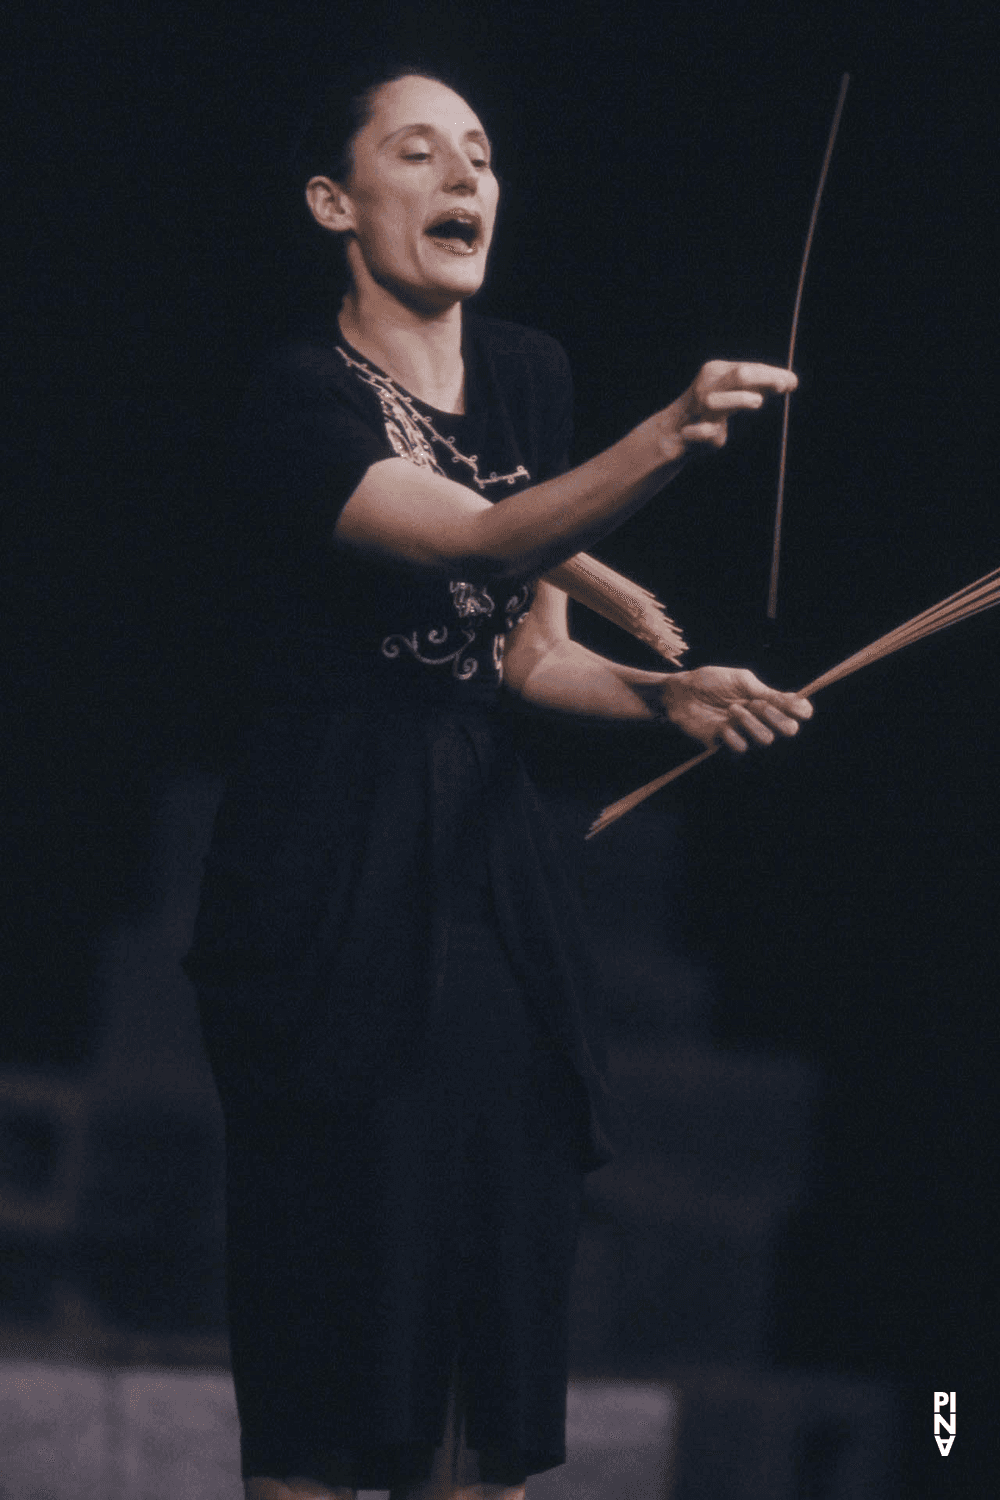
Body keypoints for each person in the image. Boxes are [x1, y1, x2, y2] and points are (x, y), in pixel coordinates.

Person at [184, 65, 813, 1500]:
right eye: (418, 153)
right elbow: (476, 540)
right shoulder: (294, 396)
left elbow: (527, 659)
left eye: (479, 153)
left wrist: (665, 695)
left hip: (485, 871)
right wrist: (668, 436)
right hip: (329, 878)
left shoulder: (527, 372)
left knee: (490, 1296)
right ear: (336, 204)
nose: (465, 176)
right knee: (332, 1308)